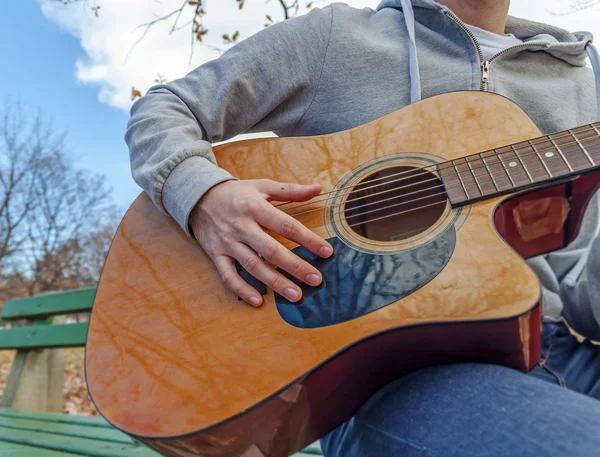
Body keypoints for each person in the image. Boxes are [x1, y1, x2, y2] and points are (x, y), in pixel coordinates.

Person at [125, 0, 600, 455]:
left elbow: (579, 284)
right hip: (386, 376)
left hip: (554, 344)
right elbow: (164, 109)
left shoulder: (578, 77)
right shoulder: (334, 37)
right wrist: (204, 197)